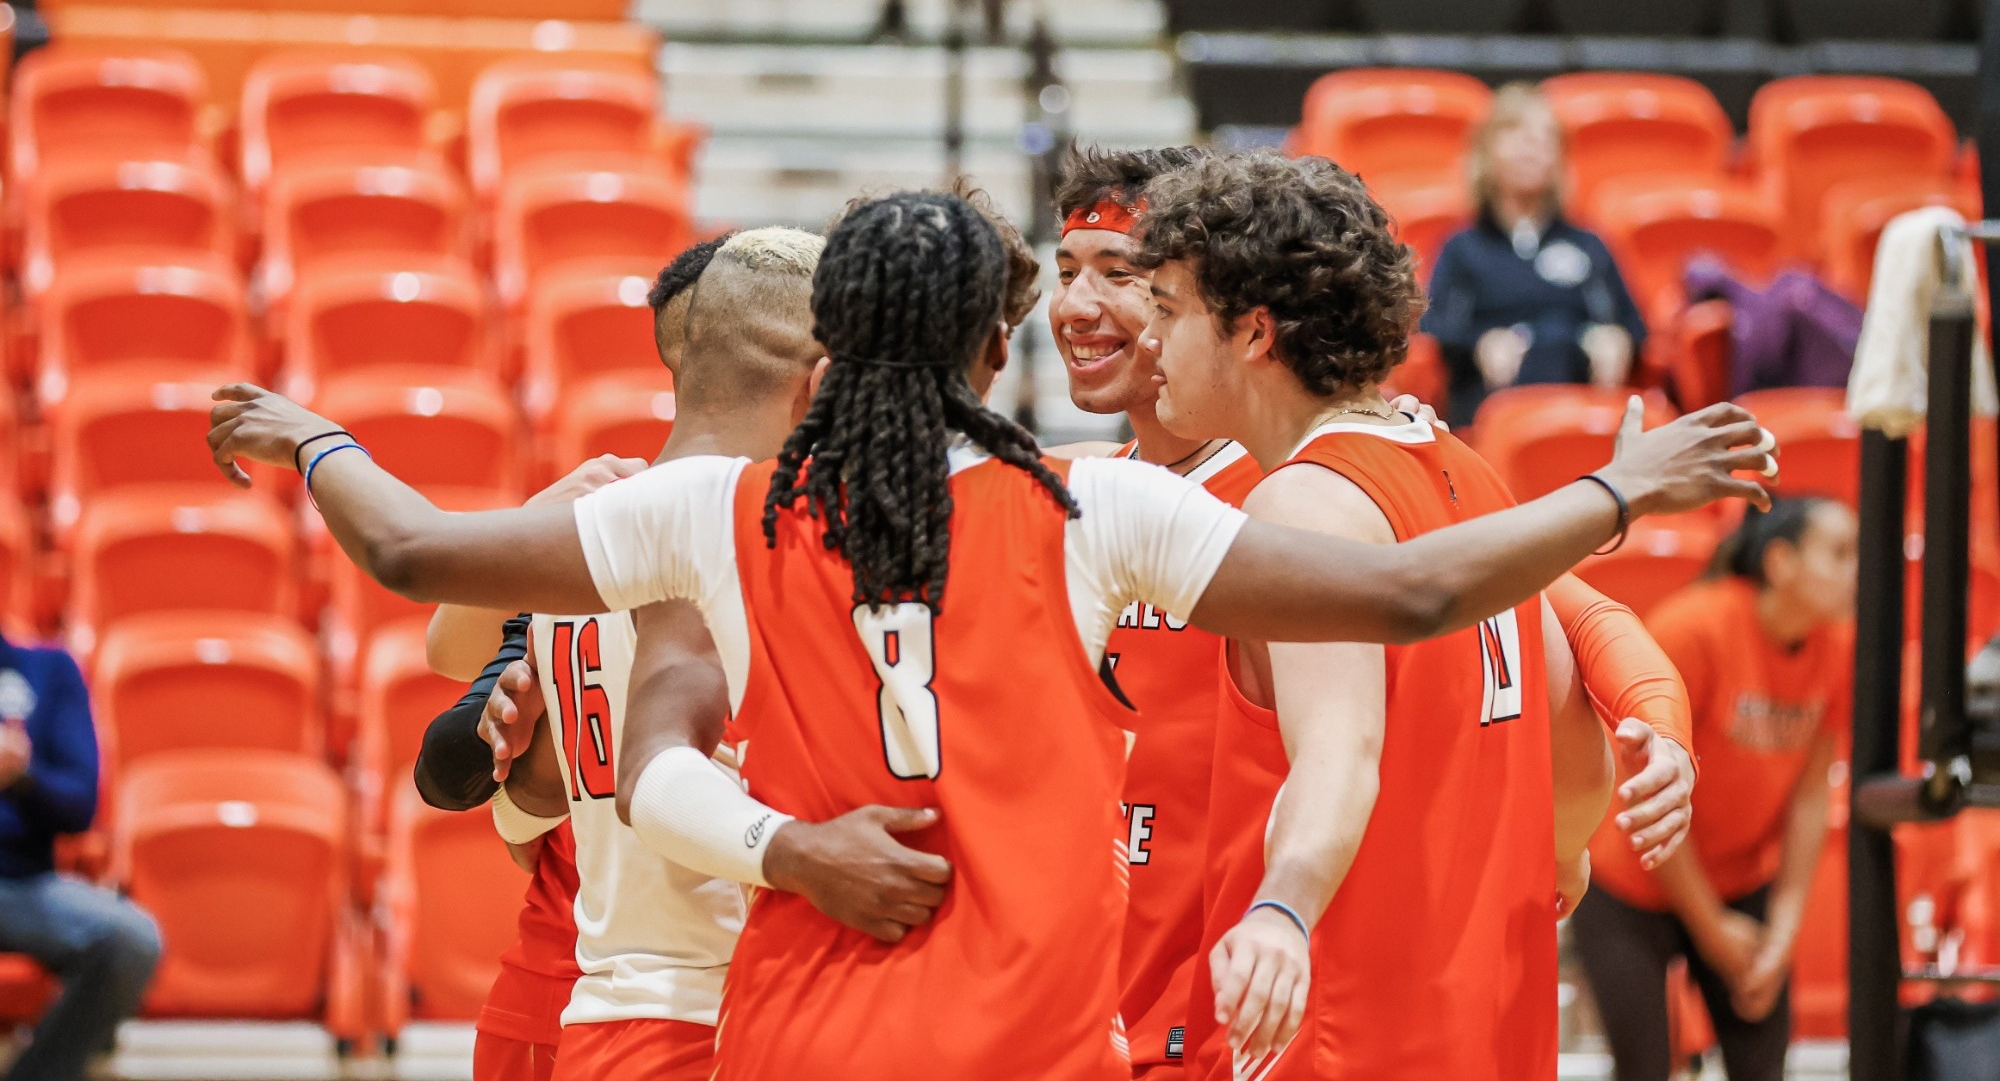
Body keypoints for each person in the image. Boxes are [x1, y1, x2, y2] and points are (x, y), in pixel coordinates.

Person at [203, 189, 1774, 1081]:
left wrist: (312, 439)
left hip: (795, 1032)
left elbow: (414, 552)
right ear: (993, 340)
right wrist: (1617, 489)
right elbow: (1415, 594)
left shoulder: (710, 511)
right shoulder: (1097, 508)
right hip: (1031, 1043)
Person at [1048, 145, 1698, 1078]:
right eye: (1066, 272)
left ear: (1243, 320)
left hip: (1276, 993)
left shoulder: (1309, 495)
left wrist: (1282, 908)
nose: (1087, 308)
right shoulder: (1076, 488)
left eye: (1134, 282)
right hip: (1153, 992)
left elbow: (1570, 627)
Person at [410, 237, 727, 1081]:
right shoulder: (633, 526)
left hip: (587, 990)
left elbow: (511, 802)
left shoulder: (624, 528)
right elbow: (452, 694)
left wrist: (526, 797)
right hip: (657, 994)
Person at [1571, 496, 1857, 1081]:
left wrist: (1781, 934)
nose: (1860, 570)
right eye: (1841, 553)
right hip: (1632, 878)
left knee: (1763, 1062)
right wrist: (1711, 930)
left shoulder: (1837, 647)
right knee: (1645, 1068)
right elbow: (1649, 793)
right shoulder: (1694, 628)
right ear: (1781, 563)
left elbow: (1809, 797)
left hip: (1740, 880)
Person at [1422, 83, 1649, 427]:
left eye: (1546, 136)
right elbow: (1433, 328)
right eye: (1516, 132)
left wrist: (1617, 339)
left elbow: (1635, 326)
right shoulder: (1462, 247)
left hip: (1583, 405)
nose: (1532, 146)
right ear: (1486, 150)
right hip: (1494, 410)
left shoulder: (1589, 244)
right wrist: (1480, 343)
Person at [0, 631, 161, 1081]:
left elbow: (78, 806)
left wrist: (21, 777)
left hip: (21, 883)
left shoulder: (48, 671)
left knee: (132, 940)